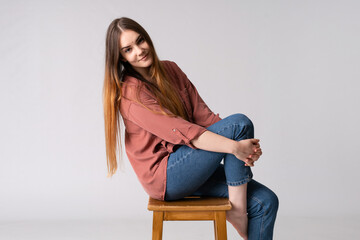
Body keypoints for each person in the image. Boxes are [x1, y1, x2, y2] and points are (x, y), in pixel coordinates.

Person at [103, 17, 278, 240]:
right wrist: (235, 146)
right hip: (166, 177)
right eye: (128, 49)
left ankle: (237, 207)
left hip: (191, 164)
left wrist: (244, 148)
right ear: (121, 58)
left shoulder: (171, 70)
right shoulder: (131, 94)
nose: (139, 51)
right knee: (239, 124)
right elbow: (186, 133)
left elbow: (205, 118)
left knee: (266, 202)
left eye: (140, 41)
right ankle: (236, 210)